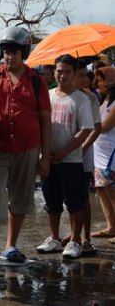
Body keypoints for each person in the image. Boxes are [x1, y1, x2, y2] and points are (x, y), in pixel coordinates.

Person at [0, 27, 52, 264]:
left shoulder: (37, 81)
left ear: (24, 52)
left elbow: (44, 120)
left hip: (28, 147)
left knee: (20, 199)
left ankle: (10, 245)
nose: (9, 56)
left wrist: (45, 157)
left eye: (14, 51)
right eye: (6, 51)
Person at [36, 55, 93, 259]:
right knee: (51, 202)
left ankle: (75, 240)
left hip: (72, 160)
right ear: (54, 71)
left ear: (73, 73)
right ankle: (54, 237)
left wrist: (63, 152)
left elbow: (85, 130)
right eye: (59, 71)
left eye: (68, 71)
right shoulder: (48, 96)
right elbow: (40, 125)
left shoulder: (81, 99)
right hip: (48, 159)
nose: (63, 75)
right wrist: (45, 153)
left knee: (74, 202)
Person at [70, 62, 101, 256]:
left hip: (83, 154)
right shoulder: (62, 96)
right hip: (66, 153)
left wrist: (83, 147)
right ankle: (73, 235)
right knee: (69, 196)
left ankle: (85, 237)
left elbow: (96, 128)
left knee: (83, 196)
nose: (83, 79)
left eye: (85, 75)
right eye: (79, 75)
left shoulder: (91, 98)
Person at [91, 67, 115, 244]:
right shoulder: (102, 101)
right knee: (101, 189)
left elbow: (105, 127)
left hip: (111, 153)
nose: (98, 83)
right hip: (98, 152)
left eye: (101, 80)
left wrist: (87, 122)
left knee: (111, 190)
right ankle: (111, 226)